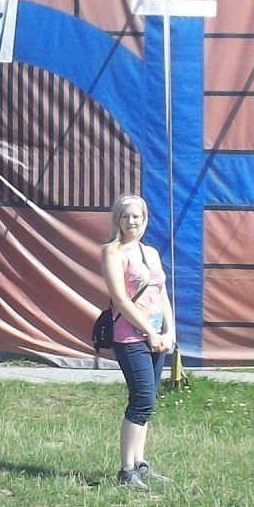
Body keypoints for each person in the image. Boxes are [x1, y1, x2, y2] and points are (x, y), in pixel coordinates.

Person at [99, 193, 175, 490]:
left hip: (156, 334)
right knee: (142, 398)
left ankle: (140, 463)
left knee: (150, 400)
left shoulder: (151, 253)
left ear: (145, 220)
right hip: (130, 336)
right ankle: (126, 470)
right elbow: (120, 298)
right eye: (126, 216)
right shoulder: (112, 252)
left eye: (137, 216)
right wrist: (149, 331)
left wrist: (170, 332)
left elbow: (162, 294)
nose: (132, 222)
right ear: (117, 218)